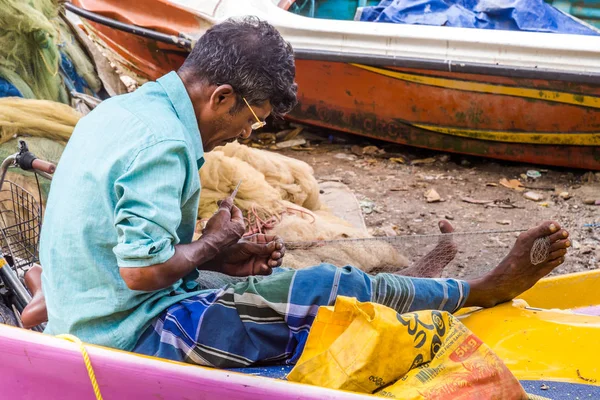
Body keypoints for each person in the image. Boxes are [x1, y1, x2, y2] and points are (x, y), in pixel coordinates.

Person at [39, 17, 570, 368]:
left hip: (103, 313)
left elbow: (127, 256)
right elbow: (138, 272)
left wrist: (219, 260)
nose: (247, 135)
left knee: (303, 288)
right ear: (221, 96)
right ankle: (479, 292)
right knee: (324, 293)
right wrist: (209, 247)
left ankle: (424, 291)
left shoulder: (126, 112)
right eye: (252, 119)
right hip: (129, 337)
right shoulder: (162, 143)